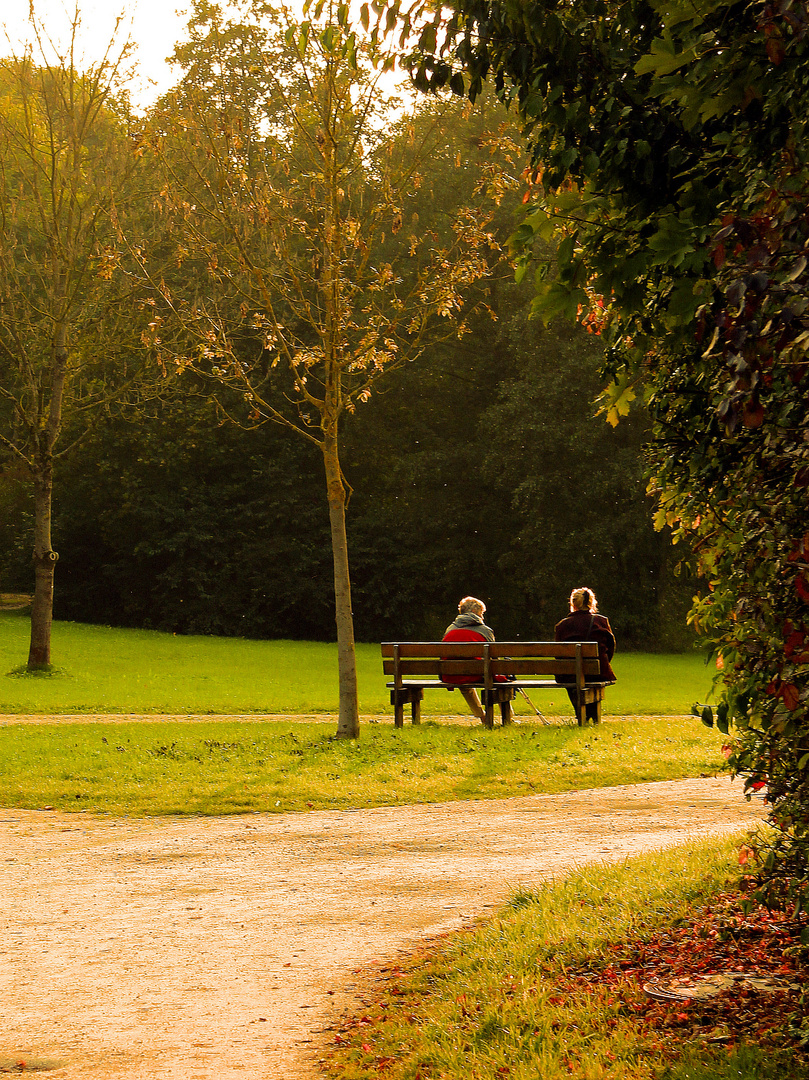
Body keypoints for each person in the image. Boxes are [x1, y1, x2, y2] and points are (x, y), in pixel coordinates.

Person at [554, 587, 616, 723]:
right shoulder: (601, 622)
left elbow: (558, 654)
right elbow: (610, 647)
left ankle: (582, 713)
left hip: (570, 674)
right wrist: (603, 663)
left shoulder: (562, 625)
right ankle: (591, 715)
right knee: (591, 676)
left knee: (571, 677)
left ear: (573, 604)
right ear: (591, 603)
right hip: (597, 671)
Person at [441, 596, 507, 722]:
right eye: (482, 613)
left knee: (463, 680)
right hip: (476, 674)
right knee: (496, 675)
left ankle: (482, 716)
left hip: (450, 674)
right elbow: (495, 659)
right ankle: (507, 716)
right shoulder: (485, 630)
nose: (483, 617)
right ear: (476, 613)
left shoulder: (450, 629)